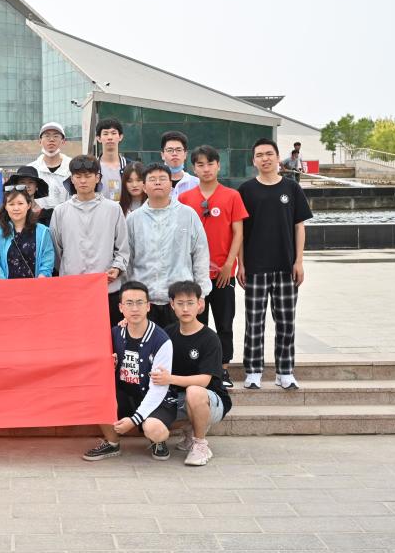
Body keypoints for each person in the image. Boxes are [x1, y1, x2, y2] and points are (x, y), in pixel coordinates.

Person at [238, 138, 313, 390]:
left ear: (278, 157)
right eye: (259, 155)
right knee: (254, 323)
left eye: (269, 154)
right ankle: (253, 371)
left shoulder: (291, 188)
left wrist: (299, 261)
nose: (265, 159)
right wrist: (241, 264)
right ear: (253, 161)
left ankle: (285, 371)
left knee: (286, 322)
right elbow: (239, 232)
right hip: (255, 267)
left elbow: (299, 227)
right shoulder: (246, 190)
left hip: (285, 267)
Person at [178, 146, 248, 387]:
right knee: (196, 322)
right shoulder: (185, 198)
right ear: (193, 168)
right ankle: (199, 369)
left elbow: (238, 233)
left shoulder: (232, 196)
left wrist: (230, 264)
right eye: (200, 165)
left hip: (223, 274)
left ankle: (223, 369)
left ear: (218, 166)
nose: (206, 169)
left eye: (210, 164)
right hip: (194, 276)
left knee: (224, 322)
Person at [82, 281, 173, 462]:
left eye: (140, 303)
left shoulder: (161, 340)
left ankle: (158, 441)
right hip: (125, 395)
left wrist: (134, 420)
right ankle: (112, 443)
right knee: (96, 393)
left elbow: (159, 388)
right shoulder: (115, 333)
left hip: (154, 398)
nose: (135, 308)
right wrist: (111, 366)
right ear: (121, 307)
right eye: (129, 303)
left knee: (155, 429)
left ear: (148, 306)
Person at [150, 281, 233, 466]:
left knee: (194, 391)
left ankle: (200, 444)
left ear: (200, 304)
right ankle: (190, 430)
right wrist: (126, 323)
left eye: (190, 303)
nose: (185, 308)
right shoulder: (168, 333)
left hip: (211, 400)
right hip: (179, 398)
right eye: (180, 303)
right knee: (152, 420)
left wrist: (170, 379)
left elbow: (204, 380)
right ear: (172, 305)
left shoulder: (210, 338)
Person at [126, 163, 211, 328]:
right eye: (152, 179)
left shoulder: (188, 214)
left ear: (171, 185)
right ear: (144, 187)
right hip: (145, 300)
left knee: (180, 343)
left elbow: (200, 254)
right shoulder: (133, 219)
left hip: (180, 299)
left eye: (162, 178)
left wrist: (201, 293)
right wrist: (130, 295)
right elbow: (128, 261)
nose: (158, 182)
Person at [49, 154, 129, 325]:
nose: (83, 181)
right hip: (72, 289)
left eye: (88, 176)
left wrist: (116, 268)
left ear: (97, 177)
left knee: (108, 336)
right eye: (78, 176)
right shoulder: (60, 212)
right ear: (72, 179)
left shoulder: (113, 209)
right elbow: (56, 250)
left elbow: (122, 247)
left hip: (107, 289)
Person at [0, 187, 54, 279]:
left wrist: (41, 278)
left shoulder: (42, 232)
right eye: (11, 204)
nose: (16, 208)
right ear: (5, 206)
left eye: (20, 203)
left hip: (36, 285)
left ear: (28, 205)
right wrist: (2, 284)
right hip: (6, 286)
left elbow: (48, 259)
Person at [27, 121, 71, 211]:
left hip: (67, 216)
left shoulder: (72, 167)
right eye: (47, 136)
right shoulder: (31, 169)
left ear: (63, 141)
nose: (51, 140)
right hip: (37, 218)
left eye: (56, 136)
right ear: (40, 141)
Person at [95, 118, 128, 203]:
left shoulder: (129, 166)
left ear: (120, 137)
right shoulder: (92, 167)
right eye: (105, 134)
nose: (110, 137)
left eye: (113, 133)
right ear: (98, 138)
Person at [160, 130, 200, 200]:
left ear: (185, 155)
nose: (174, 153)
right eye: (170, 150)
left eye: (178, 150)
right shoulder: (155, 183)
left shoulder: (197, 184)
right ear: (162, 155)